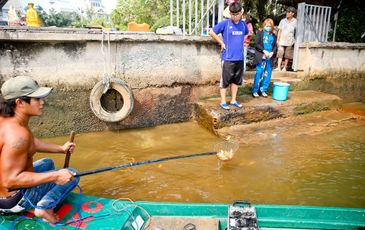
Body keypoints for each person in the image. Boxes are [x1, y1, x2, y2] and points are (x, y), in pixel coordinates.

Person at [0, 76, 79, 223]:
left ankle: (36, 203)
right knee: (72, 174)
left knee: (48, 163)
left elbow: (31, 142)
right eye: (36, 99)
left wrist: (61, 149)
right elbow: (10, 181)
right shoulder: (17, 136)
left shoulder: (7, 120)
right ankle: (44, 208)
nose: (42, 102)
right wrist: (55, 176)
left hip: (4, 195)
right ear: (20, 102)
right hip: (13, 200)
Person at [209, 2, 248, 110]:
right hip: (228, 58)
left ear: (241, 13)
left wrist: (240, 45)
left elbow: (246, 34)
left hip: (239, 58)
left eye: (237, 14)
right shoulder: (225, 23)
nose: (235, 16)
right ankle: (223, 101)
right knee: (225, 80)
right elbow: (212, 32)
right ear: (230, 13)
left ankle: (233, 100)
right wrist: (221, 43)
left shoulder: (243, 24)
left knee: (236, 80)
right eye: (232, 14)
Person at [252, 18, 277, 98]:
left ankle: (263, 90)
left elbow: (275, 46)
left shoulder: (273, 35)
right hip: (261, 57)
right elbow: (256, 44)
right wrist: (264, 51)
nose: (268, 27)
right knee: (259, 73)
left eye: (269, 26)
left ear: (272, 27)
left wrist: (272, 52)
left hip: (270, 58)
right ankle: (255, 91)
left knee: (268, 74)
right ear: (264, 25)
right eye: (266, 26)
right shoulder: (260, 33)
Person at [275, 6, 297, 72]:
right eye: (287, 12)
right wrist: (277, 39)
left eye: (289, 12)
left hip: (290, 40)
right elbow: (280, 30)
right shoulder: (282, 21)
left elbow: (297, 31)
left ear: (292, 14)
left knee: (287, 55)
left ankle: (284, 67)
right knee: (280, 53)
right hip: (282, 40)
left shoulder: (295, 21)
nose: (287, 13)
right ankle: (278, 67)